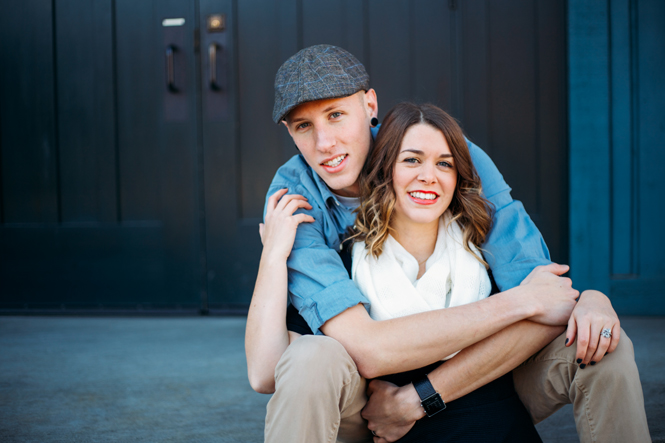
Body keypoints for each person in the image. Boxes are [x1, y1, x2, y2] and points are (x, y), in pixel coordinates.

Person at [245, 44, 650, 443]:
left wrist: (417, 399)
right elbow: (359, 348)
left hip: (478, 381)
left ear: (370, 105)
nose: (324, 143)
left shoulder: (446, 152)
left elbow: (547, 302)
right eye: (303, 126)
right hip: (368, 398)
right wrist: (520, 302)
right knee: (311, 357)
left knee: (602, 347)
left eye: (336, 115)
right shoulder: (293, 199)